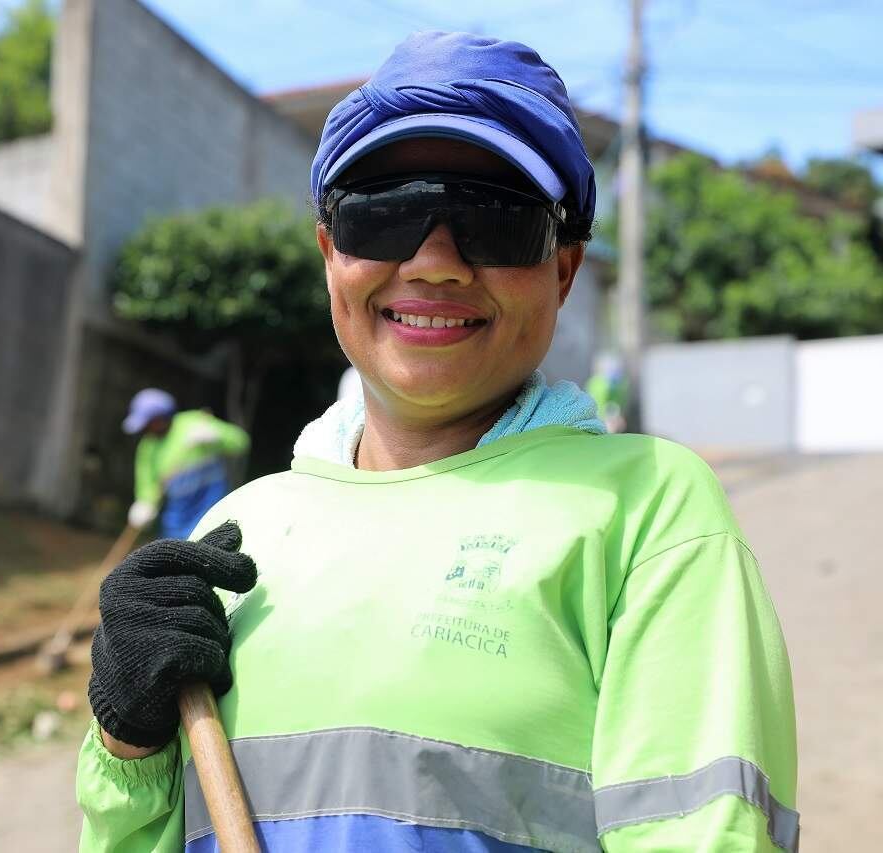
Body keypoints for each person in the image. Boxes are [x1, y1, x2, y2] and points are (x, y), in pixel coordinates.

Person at [79, 32, 798, 853]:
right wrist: (127, 747)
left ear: (564, 269)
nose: (434, 262)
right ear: (331, 252)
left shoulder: (646, 508)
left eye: (497, 220)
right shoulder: (239, 533)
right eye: (383, 213)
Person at [122, 388, 251, 540]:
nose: (145, 429)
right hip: (178, 510)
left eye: (148, 423)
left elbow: (241, 442)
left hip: (210, 501)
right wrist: (145, 502)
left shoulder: (195, 422)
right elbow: (147, 479)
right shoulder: (148, 446)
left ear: (160, 418)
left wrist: (217, 436)